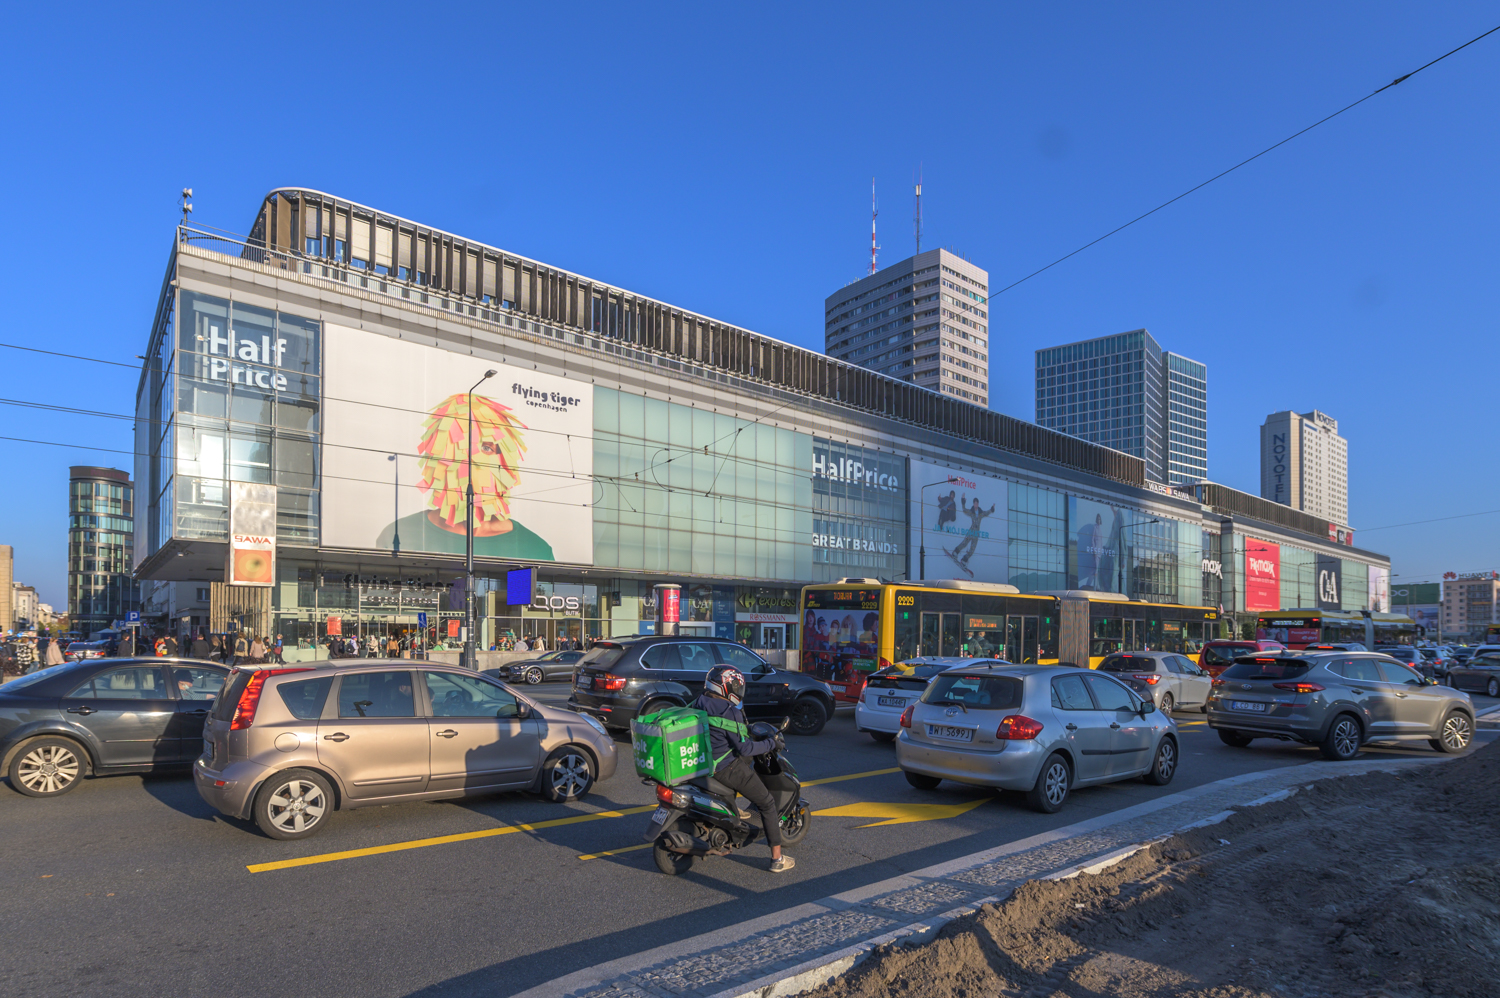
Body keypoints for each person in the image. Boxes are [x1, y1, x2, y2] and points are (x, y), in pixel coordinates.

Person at [692, 665, 794, 873]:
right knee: (766, 802)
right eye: (735, 686)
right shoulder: (729, 710)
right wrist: (771, 744)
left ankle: (732, 805)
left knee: (747, 762)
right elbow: (745, 746)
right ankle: (777, 859)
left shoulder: (700, 700)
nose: (738, 691)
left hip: (703, 762)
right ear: (725, 687)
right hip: (725, 767)